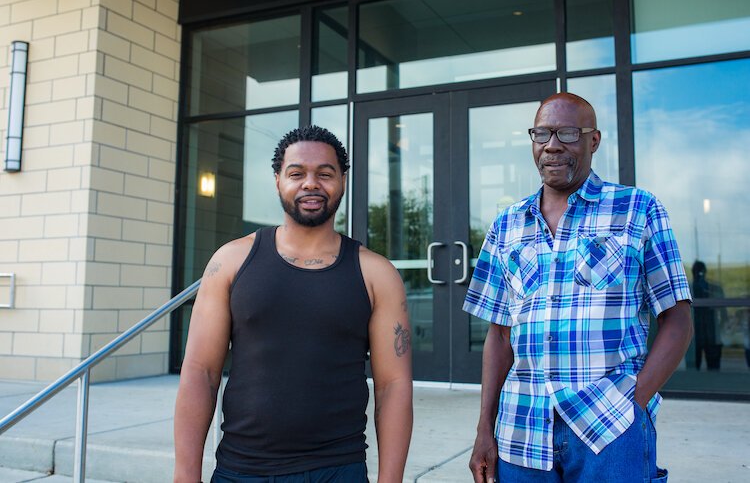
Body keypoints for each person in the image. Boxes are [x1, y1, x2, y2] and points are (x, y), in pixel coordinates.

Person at [464, 93, 693, 482]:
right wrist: (484, 429)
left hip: (610, 429)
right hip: (521, 430)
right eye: (542, 133)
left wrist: (635, 400)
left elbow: (677, 318)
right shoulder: (507, 224)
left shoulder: (638, 209)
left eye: (568, 133)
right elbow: (499, 335)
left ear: (594, 141)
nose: (552, 145)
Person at [174, 126, 413, 483]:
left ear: (342, 181)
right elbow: (200, 372)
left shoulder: (376, 274)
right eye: (297, 173)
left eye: (325, 173)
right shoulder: (231, 261)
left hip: (338, 469)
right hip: (242, 469)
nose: (311, 183)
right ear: (277, 181)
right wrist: (185, 474)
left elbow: (393, 386)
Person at [691, 261, 725, 370]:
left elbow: (723, 312)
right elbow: (724, 313)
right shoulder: (713, 288)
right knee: (700, 366)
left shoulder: (689, 289)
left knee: (694, 367)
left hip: (705, 332)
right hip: (704, 332)